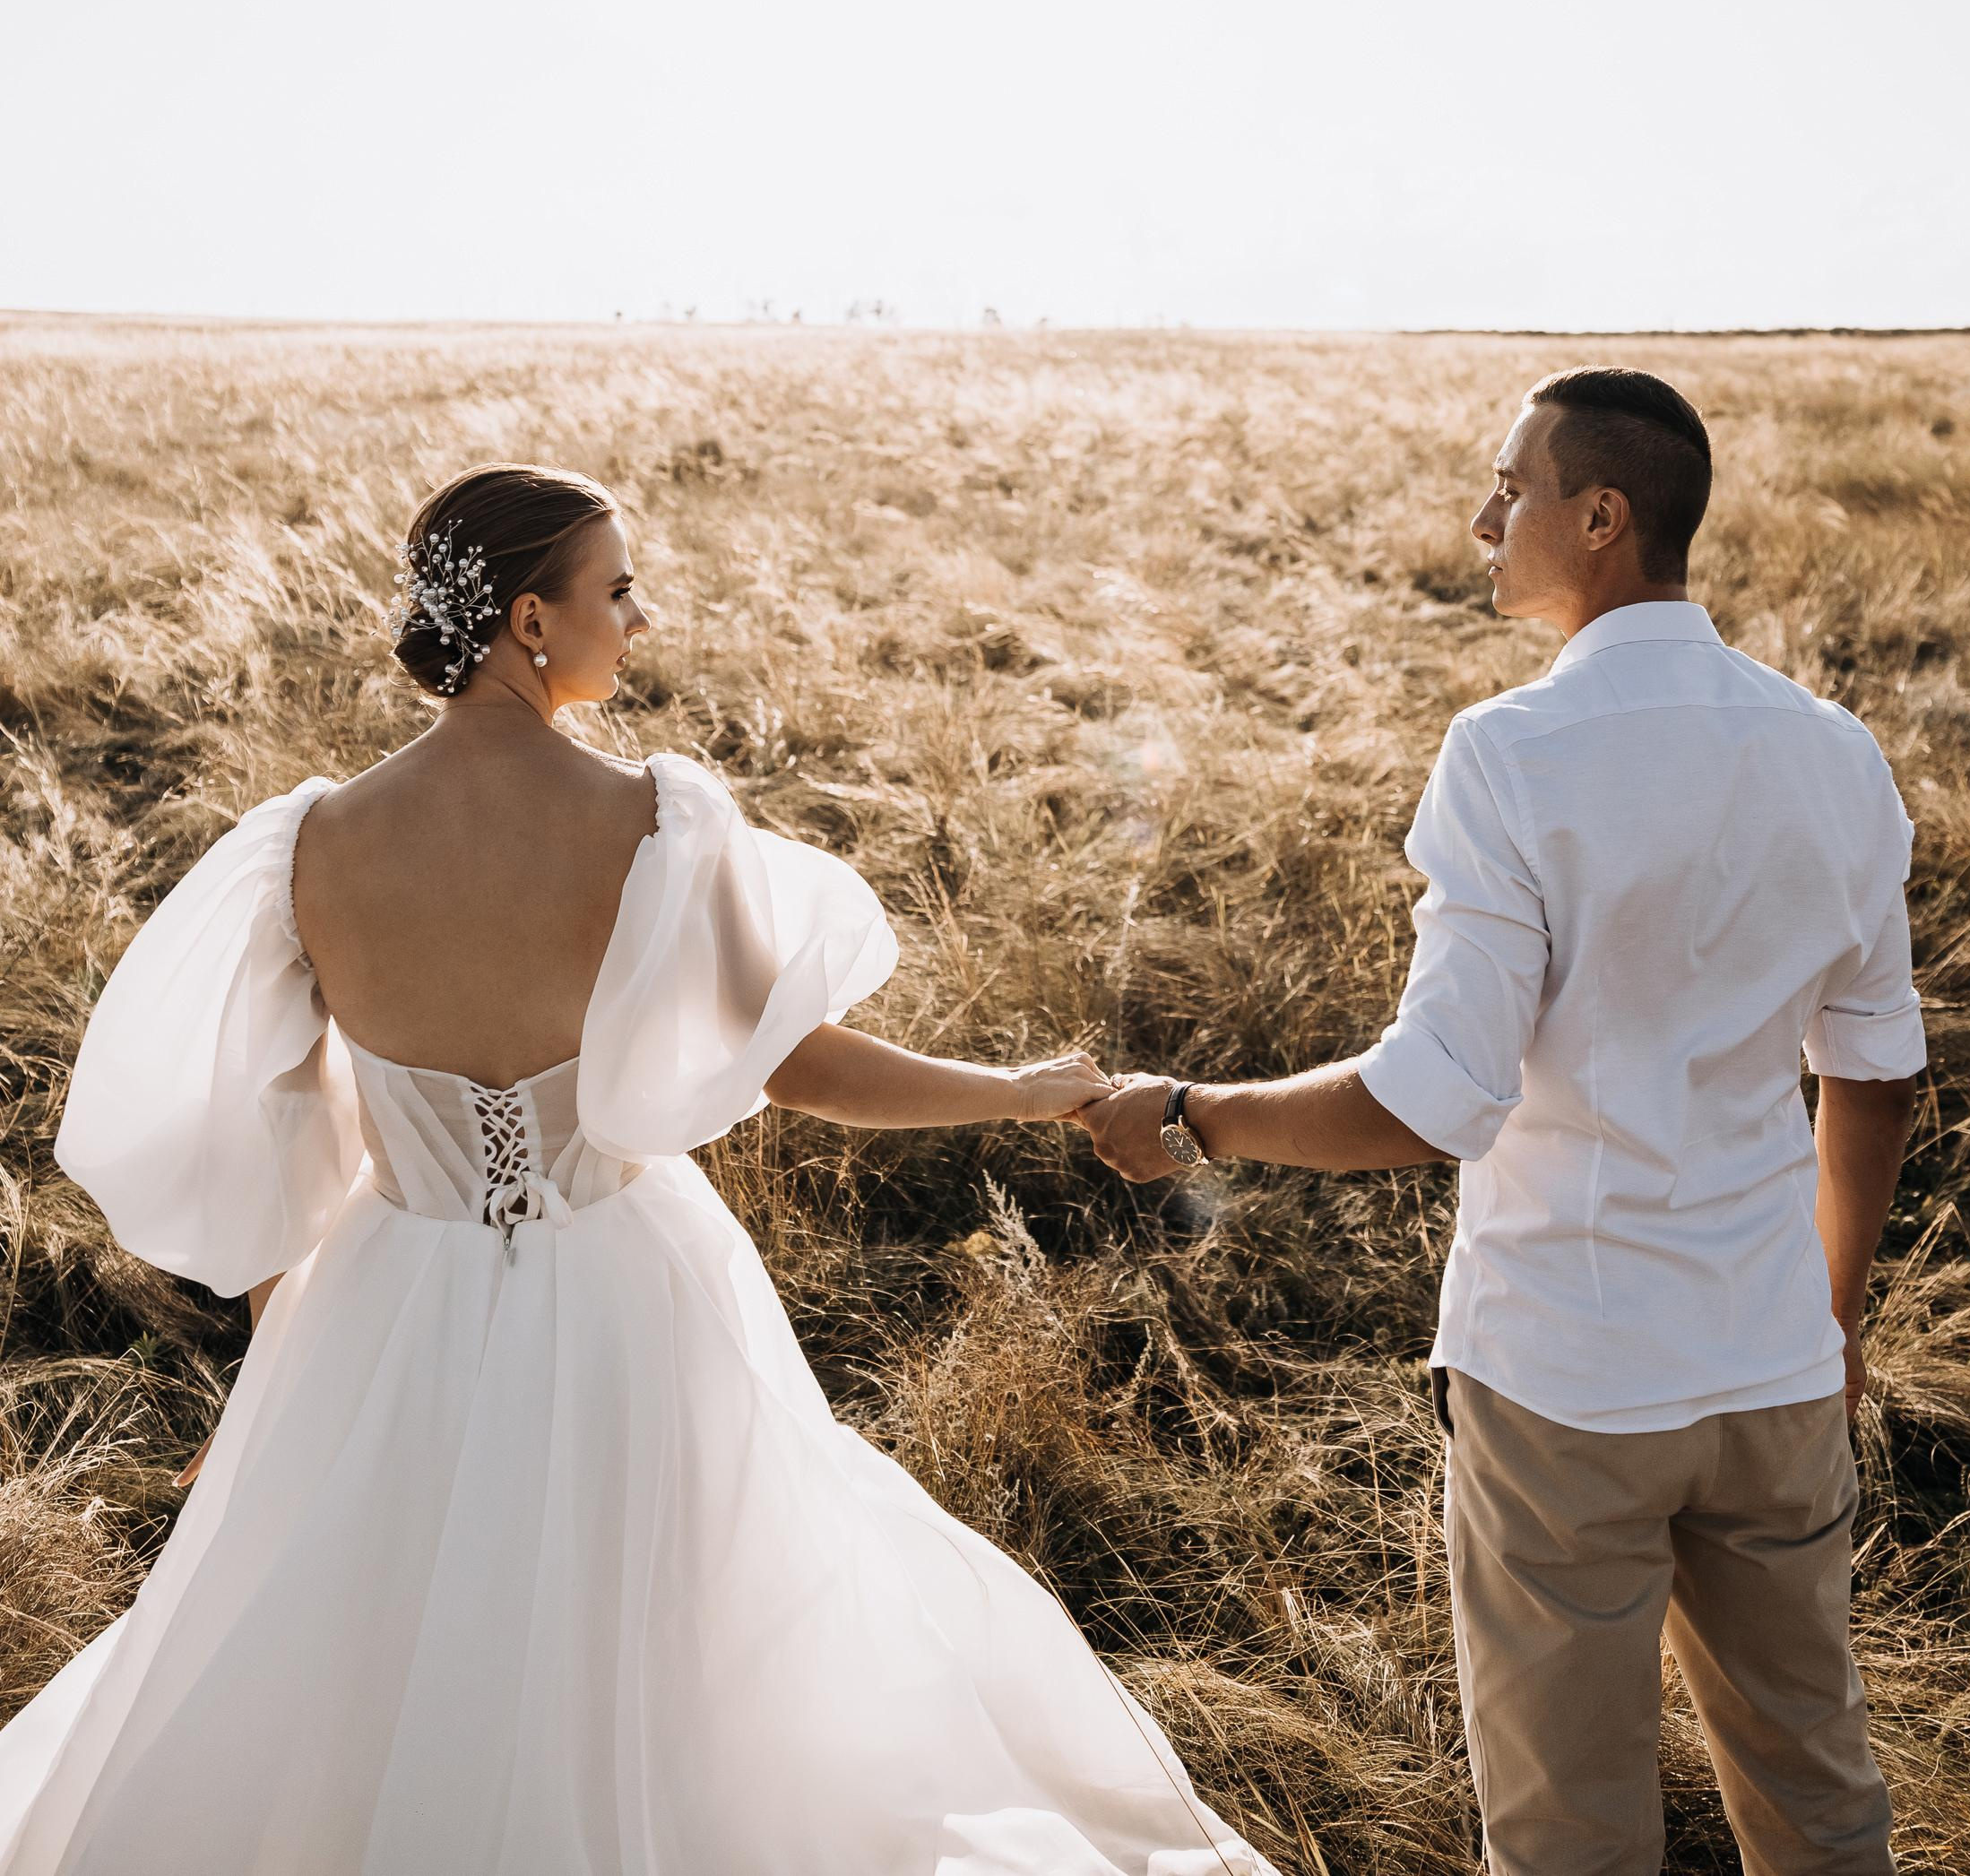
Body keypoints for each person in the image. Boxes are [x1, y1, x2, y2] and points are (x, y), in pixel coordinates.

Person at [0, 463, 1273, 1876]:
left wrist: (286, 1370)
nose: (639, 618)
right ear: (532, 620)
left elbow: (286, 1137)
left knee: (374, 1632)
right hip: (618, 1290)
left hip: (383, 1298)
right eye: (618, 590)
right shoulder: (654, 825)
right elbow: (803, 1066)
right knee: (665, 1637)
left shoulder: (309, 843)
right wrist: (1017, 1095)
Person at [1080, 368, 1926, 1876]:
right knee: (1817, 1791)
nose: (1483, 519)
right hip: (1771, 1359)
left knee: (1566, 1828)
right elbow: (1871, 1071)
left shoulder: (1510, 753)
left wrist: (1194, 1113)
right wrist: (1833, 1310)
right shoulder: (1835, 753)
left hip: (1567, 1378)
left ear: (1600, 517)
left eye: (1509, 487)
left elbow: (1428, 1100)